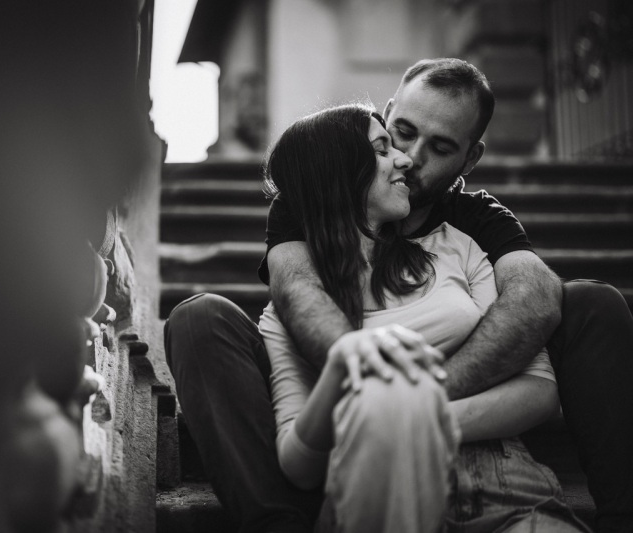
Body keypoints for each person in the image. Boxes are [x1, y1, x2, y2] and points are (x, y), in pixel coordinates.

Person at [165, 57, 633, 533]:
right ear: (387, 114)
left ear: (470, 159)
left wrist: (413, 406)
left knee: (593, 304)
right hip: (341, 420)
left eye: (441, 147)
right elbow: (298, 292)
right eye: (400, 133)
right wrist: (358, 374)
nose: (411, 157)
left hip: (484, 459)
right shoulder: (306, 204)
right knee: (200, 318)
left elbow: (535, 299)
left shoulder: (470, 227)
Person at [256, 102, 588, 532]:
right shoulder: (294, 311)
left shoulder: (458, 248)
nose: (404, 158)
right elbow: (298, 465)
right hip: (379, 495)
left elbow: (540, 390)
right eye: (382, 148)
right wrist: (340, 367)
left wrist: (415, 416)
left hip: (507, 488)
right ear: (337, 175)